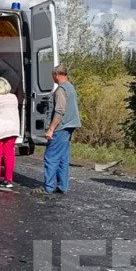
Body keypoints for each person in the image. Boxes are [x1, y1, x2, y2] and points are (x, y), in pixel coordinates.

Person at [34, 65, 81, 195]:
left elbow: (59, 111)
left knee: (51, 157)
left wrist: (50, 129)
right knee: (62, 158)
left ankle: (48, 187)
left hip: (61, 127)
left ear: (56, 74)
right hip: (69, 127)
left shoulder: (61, 90)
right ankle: (62, 186)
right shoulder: (70, 87)